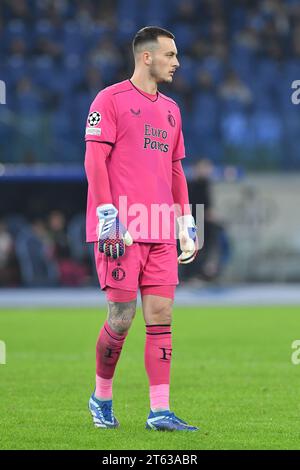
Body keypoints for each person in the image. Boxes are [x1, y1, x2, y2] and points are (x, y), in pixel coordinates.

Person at [84, 26, 198, 431]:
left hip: (160, 228)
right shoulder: (109, 100)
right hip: (122, 230)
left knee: (161, 315)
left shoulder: (172, 110)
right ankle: (101, 399)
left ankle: (160, 411)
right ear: (146, 56)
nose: (177, 62)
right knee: (120, 318)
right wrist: (107, 218)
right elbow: (95, 162)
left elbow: (175, 168)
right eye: (170, 54)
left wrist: (186, 220)